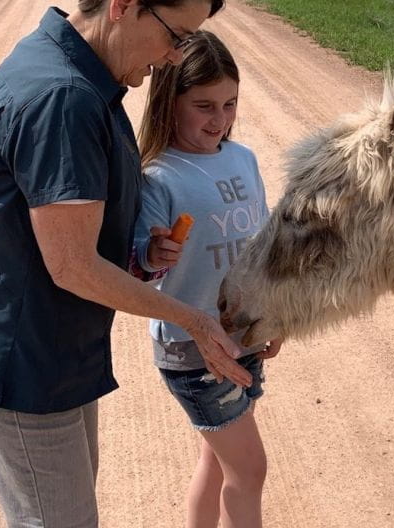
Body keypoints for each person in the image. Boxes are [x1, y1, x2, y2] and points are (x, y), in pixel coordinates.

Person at [0, 0, 251, 528]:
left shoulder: (73, 71)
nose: (175, 57)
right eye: (175, 35)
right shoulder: (63, 96)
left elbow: (73, 238)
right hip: (28, 362)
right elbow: (71, 266)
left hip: (52, 354)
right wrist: (193, 320)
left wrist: (140, 256)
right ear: (124, 3)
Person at [133, 30, 281, 528]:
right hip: (192, 347)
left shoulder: (244, 160)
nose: (219, 120)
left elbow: (260, 245)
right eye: (204, 106)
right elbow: (139, 267)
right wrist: (154, 252)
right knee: (250, 469)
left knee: (217, 463)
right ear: (169, 102)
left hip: (244, 336)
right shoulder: (158, 176)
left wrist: (272, 313)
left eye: (230, 104)